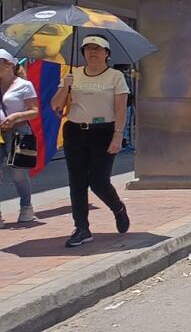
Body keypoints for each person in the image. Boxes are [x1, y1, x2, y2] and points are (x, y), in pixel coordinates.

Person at [50, 36, 130, 248]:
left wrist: (118, 136)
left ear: (107, 53)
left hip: (103, 132)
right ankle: (82, 228)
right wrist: (64, 87)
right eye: (88, 49)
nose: (92, 52)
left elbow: (121, 109)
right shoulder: (72, 74)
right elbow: (56, 106)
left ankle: (118, 208)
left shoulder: (115, 77)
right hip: (75, 132)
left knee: (98, 181)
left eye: (97, 48)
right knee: (77, 182)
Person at [0, 50, 38, 225]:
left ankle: (26, 207)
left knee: (18, 173)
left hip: (19, 132)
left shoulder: (24, 85)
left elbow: (34, 111)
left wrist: (15, 117)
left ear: (9, 65)